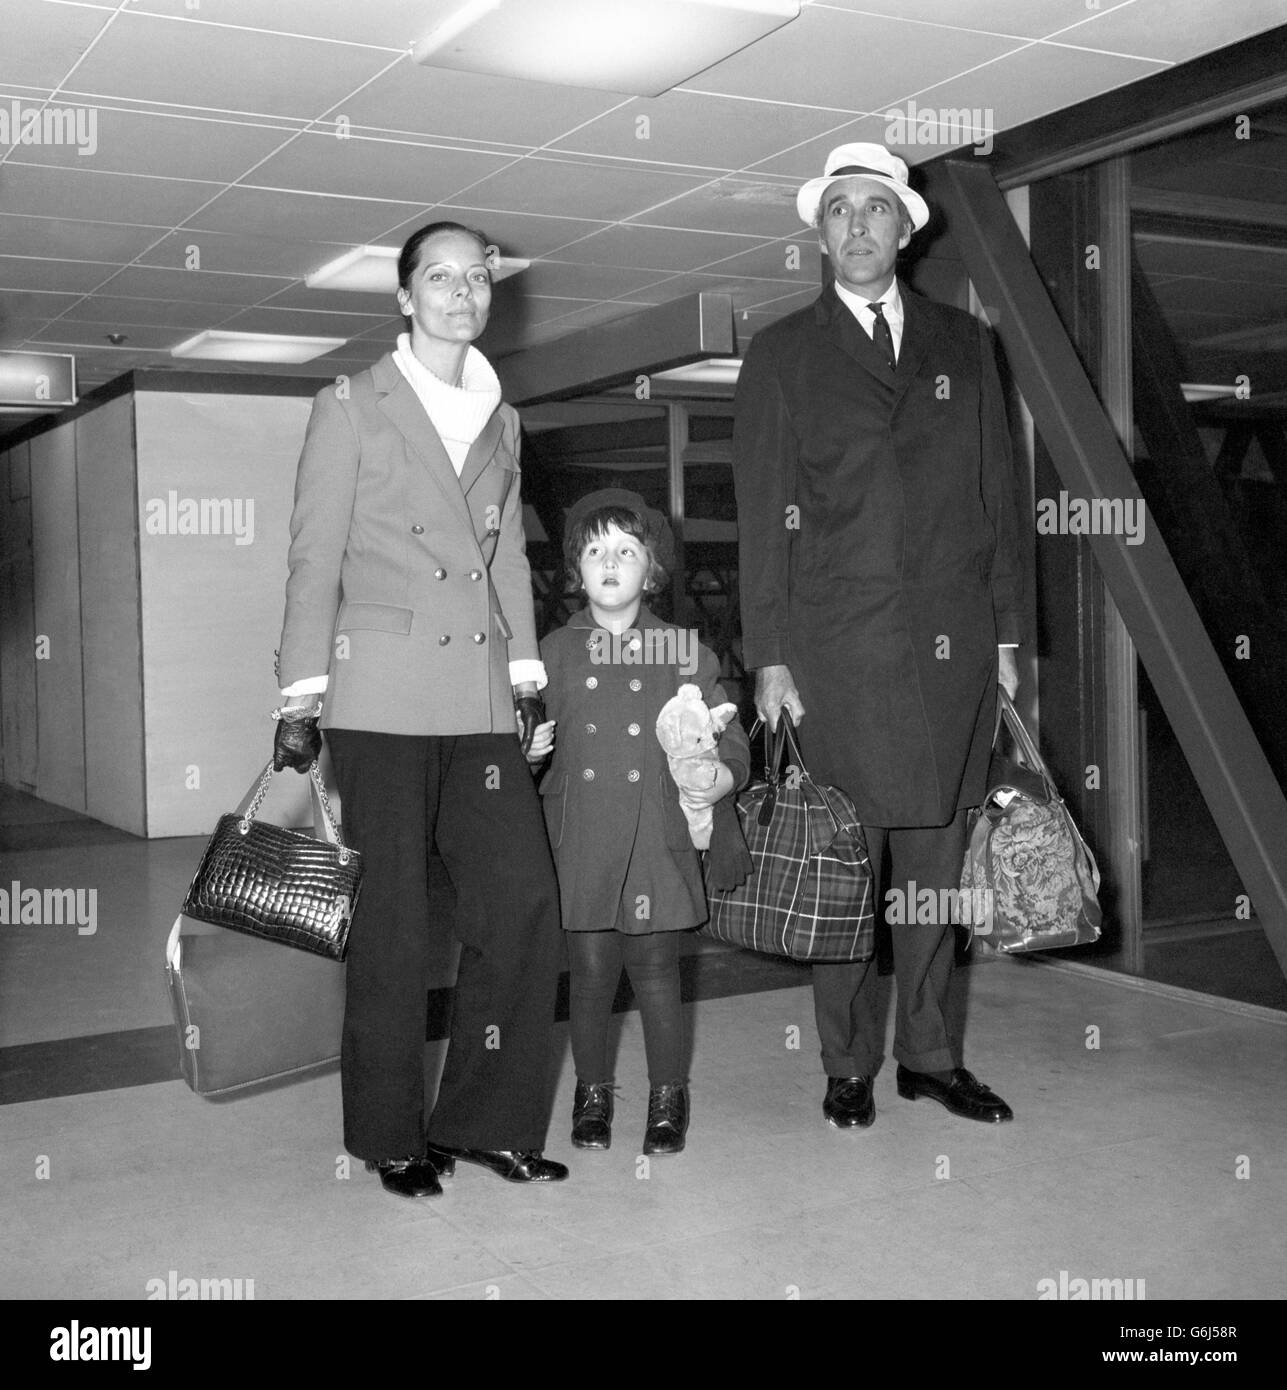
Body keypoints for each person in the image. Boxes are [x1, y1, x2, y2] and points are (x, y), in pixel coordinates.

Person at [732, 144, 1023, 1130]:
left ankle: (931, 1057)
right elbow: (763, 510)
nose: (858, 226)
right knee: (842, 868)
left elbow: (999, 495)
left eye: (875, 209)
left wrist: (1011, 636)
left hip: (953, 646)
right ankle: (848, 1061)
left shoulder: (966, 343)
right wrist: (768, 651)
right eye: (839, 211)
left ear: (908, 227)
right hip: (835, 650)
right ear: (821, 233)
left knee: (935, 870)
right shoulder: (781, 352)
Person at [274, 221, 567, 1196]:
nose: (461, 291)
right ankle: (389, 1134)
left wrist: (527, 677)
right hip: (381, 691)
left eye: (476, 277)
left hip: (480, 691)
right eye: (439, 277)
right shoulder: (351, 404)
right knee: (395, 927)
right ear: (404, 297)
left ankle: (488, 1118)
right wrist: (299, 694)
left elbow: (509, 562)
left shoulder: (503, 417)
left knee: (522, 902)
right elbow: (315, 556)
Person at [526, 489, 749, 1155]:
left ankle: (665, 1096)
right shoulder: (553, 653)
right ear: (577, 571)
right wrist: (526, 751)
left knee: (655, 973)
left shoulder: (683, 650)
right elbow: (522, 737)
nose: (610, 562)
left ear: (650, 567)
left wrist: (723, 771)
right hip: (581, 838)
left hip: (656, 836)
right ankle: (591, 1092)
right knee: (589, 974)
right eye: (594, 552)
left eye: (625, 549)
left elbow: (727, 733)